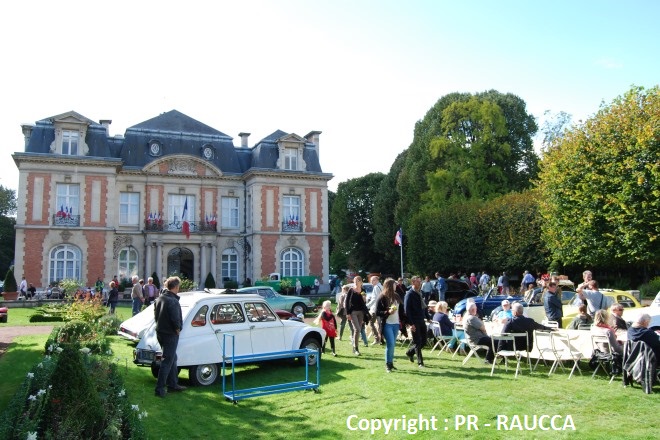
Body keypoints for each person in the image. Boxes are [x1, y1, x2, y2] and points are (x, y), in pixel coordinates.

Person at [154, 276, 185, 397]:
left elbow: (156, 316)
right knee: (167, 361)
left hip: (161, 332)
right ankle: (160, 389)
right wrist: (177, 329)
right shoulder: (172, 300)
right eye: (179, 287)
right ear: (176, 287)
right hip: (170, 334)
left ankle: (173, 384)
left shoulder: (160, 298)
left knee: (173, 358)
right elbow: (175, 319)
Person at [376, 278, 405, 372]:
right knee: (391, 344)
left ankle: (391, 363)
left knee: (392, 345)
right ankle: (388, 365)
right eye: (394, 284)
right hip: (387, 324)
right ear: (389, 286)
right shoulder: (382, 297)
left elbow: (401, 311)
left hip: (396, 324)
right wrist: (387, 312)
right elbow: (378, 312)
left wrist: (407, 322)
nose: (396, 286)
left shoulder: (396, 296)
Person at [404, 275, 428, 368]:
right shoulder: (409, 294)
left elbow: (424, 306)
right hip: (414, 320)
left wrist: (427, 316)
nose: (420, 283)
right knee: (417, 342)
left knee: (424, 341)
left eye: (420, 281)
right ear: (413, 283)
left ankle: (410, 352)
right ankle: (420, 362)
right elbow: (407, 310)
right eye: (418, 282)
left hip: (421, 319)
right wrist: (411, 323)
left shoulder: (420, 293)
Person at [345, 276, 368, 355]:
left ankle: (354, 348)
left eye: (358, 281)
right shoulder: (351, 290)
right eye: (355, 281)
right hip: (353, 312)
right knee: (357, 329)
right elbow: (347, 302)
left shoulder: (363, 290)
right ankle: (356, 348)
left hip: (361, 312)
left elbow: (364, 301)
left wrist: (364, 298)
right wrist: (347, 313)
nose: (356, 282)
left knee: (358, 329)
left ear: (361, 282)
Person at [367, 276, 383, 345]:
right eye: (371, 280)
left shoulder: (376, 287)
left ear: (376, 280)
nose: (371, 282)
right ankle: (381, 339)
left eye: (372, 280)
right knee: (379, 324)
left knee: (371, 323)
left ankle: (377, 339)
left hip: (375, 309)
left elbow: (374, 299)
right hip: (380, 308)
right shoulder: (381, 286)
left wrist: (367, 306)